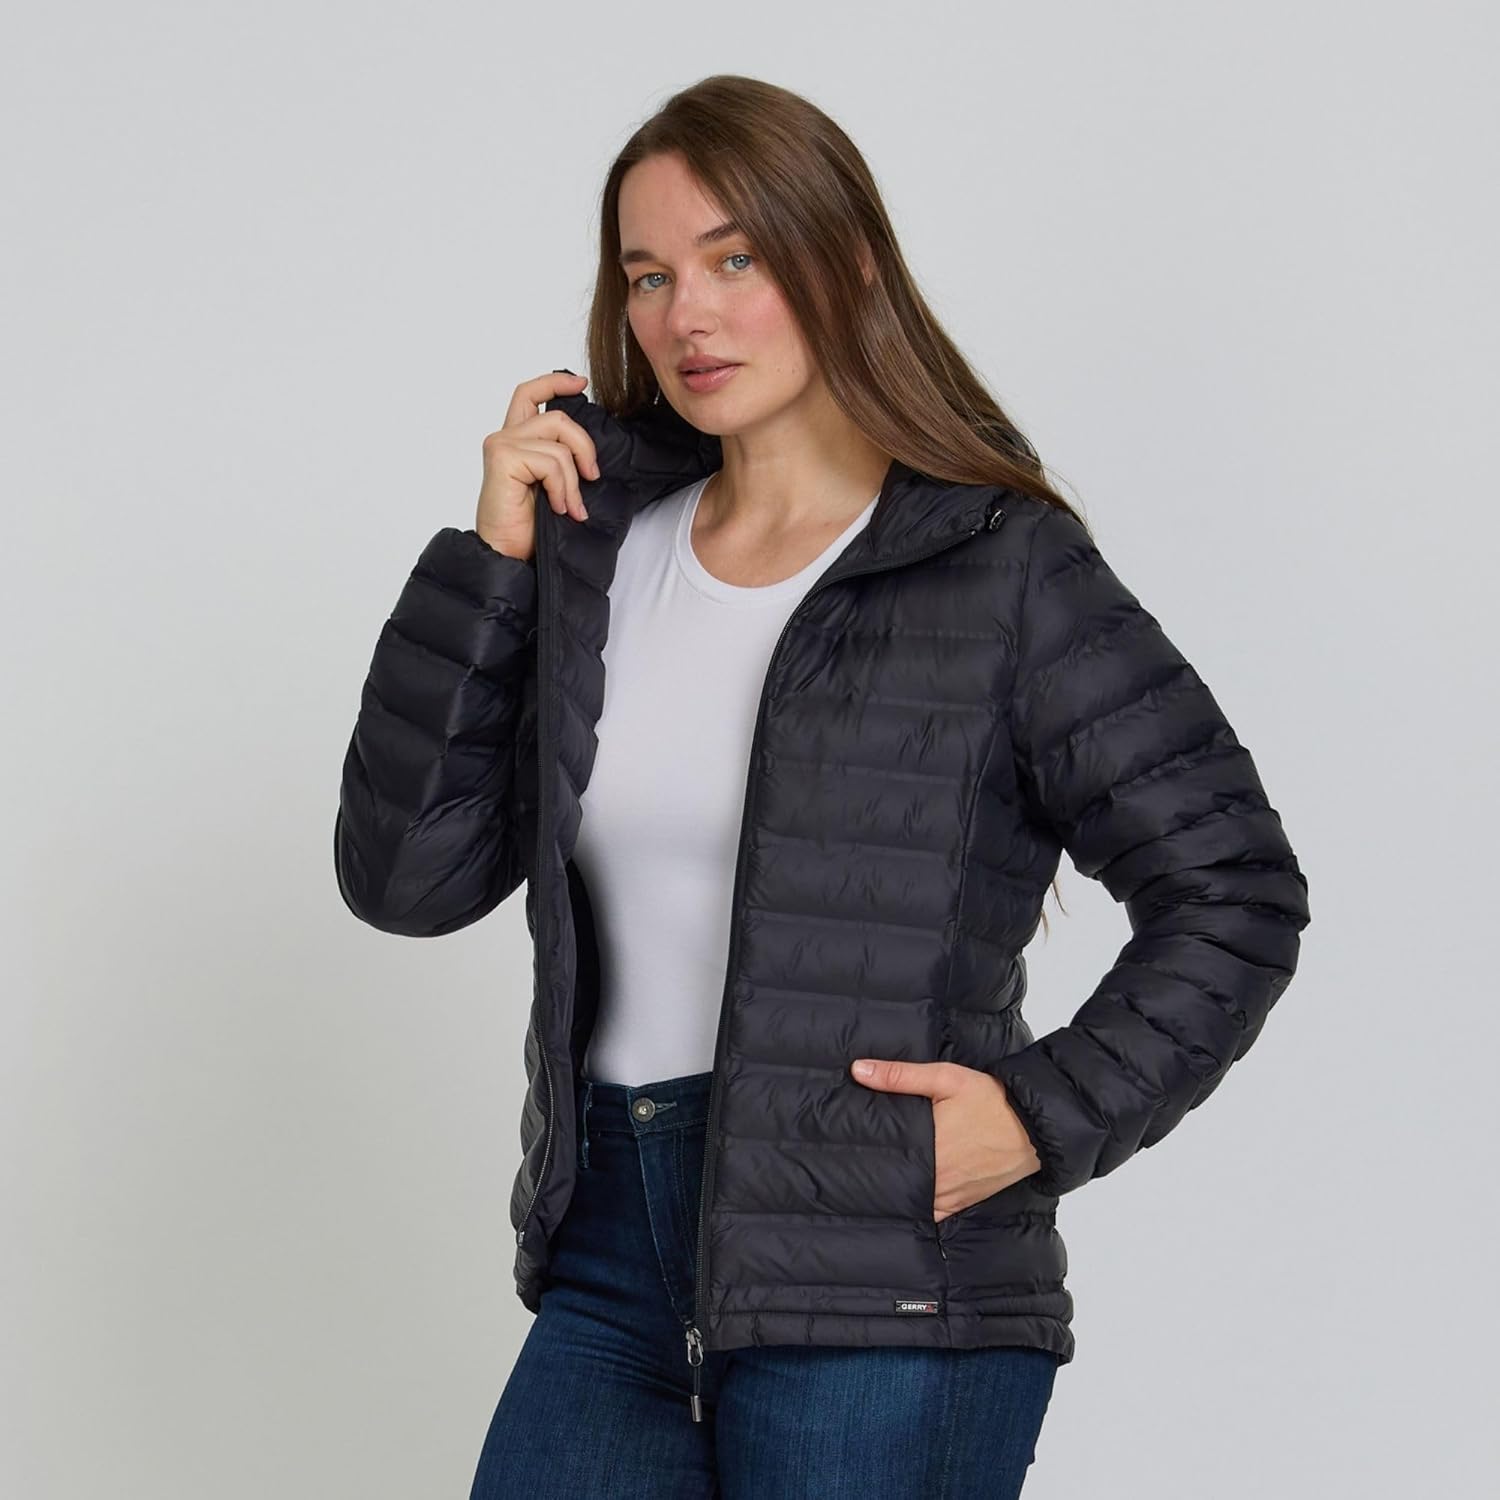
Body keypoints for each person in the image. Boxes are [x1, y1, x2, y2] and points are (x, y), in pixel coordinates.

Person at [333, 74, 1310, 1499]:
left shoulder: (997, 566)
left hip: (884, 1282)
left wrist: (1038, 1115)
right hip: (610, 1258)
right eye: (650, 276)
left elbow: (1234, 891)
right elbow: (405, 882)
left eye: (735, 258)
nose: (688, 314)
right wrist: (493, 569)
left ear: (846, 263)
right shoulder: (602, 551)